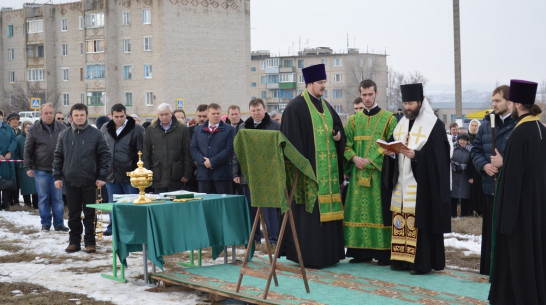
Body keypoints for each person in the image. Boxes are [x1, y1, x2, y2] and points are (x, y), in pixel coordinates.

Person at [280, 63, 346, 268]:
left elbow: (338, 129)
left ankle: (331, 254)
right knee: (310, 217)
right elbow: (290, 144)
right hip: (309, 175)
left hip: (330, 175)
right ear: (309, 83)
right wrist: (304, 169)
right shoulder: (294, 108)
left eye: (325, 82)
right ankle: (311, 256)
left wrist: (338, 135)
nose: (324, 86)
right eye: (320, 82)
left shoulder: (326, 106)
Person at [381, 83, 451, 275]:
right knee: (400, 219)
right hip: (401, 184)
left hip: (421, 186)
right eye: (405, 103)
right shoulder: (401, 123)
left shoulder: (434, 125)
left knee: (418, 222)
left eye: (411, 103)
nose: (407, 107)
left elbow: (440, 159)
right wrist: (391, 153)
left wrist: (417, 156)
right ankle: (401, 261)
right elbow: (395, 145)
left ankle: (421, 262)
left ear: (420, 102)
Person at [488, 79, 545, 305]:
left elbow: (511, 181)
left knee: (519, 256)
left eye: (510, 102)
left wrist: (505, 220)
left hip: (519, 211)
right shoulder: (541, 129)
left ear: (518, 104)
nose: (509, 106)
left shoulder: (519, 133)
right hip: (538, 206)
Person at [343, 79, 397, 265]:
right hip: (358, 176)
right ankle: (360, 252)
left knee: (379, 212)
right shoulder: (352, 120)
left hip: (379, 176)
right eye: (364, 95)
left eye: (370, 94)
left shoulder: (390, 119)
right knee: (357, 211)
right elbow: (346, 145)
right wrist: (354, 158)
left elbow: (392, 145)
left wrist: (371, 160)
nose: (367, 98)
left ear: (377, 94)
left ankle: (382, 253)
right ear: (360, 94)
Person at [53, 103, 111, 253]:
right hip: (71, 180)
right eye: (76, 115)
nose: (79, 118)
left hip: (90, 181)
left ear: (86, 115)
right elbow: (58, 156)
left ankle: (90, 242)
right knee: (73, 213)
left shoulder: (96, 134)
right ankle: (74, 242)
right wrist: (57, 176)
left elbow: (104, 156)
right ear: (71, 117)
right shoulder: (64, 135)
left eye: (82, 115)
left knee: (90, 214)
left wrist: (102, 176)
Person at [471, 84, 515, 275]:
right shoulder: (487, 124)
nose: (494, 104)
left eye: (498, 100)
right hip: (490, 187)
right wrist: (483, 165)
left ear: (509, 101)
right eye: (493, 100)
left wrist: (504, 163)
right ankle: (488, 270)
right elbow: (476, 150)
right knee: (489, 234)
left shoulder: (518, 125)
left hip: (509, 189)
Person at [232, 98, 281, 245]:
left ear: (264, 109)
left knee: (269, 209)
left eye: (258, 110)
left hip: (268, 175)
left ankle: (274, 239)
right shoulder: (243, 127)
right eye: (253, 110)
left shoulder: (275, 126)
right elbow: (237, 152)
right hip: (248, 175)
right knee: (251, 209)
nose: (256, 113)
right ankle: (254, 238)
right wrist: (235, 173)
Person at [100, 103, 144, 236]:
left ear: (126, 115)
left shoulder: (136, 129)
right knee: (113, 204)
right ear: (111, 116)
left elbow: (142, 151)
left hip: (130, 173)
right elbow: (101, 149)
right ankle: (113, 227)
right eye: (116, 116)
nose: (119, 119)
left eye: (122, 116)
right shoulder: (105, 128)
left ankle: (132, 228)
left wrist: (138, 172)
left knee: (131, 203)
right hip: (111, 173)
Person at [24, 104, 68, 230]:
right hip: (41, 169)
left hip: (58, 170)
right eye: (46, 113)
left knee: (58, 198)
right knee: (43, 198)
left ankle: (59, 224)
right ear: (41, 115)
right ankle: (45, 224)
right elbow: (27, 150)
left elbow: (67, 147)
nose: (49, 115)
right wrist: (28, 167)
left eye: (51, 113)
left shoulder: (62, 127)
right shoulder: (34, 129)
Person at [142, 103, 192, 193]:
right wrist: (147, 174)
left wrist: (186, 174)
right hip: (157, 175)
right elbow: (146, 154)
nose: (164, 117)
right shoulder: (151, 130)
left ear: (171, 114)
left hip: (176, 175)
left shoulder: (182, 130)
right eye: (161, 115)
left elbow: (187, 153)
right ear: (158, 115)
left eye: (166, 114)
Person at [190, 103, 235, 194]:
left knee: (222, 204)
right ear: (208, 114)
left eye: (218, 113)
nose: (216, 116)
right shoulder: (198, 130)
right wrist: (203, 161)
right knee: (205, 203)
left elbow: (229, 149)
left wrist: (212, 162)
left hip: (222, 175)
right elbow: (193, 148)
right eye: (213, 113)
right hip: (204, 175)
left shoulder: (229, 130)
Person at [15, 121, 38, 208]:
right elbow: (16, 153)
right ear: (23, 128)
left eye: (30, 127)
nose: (28, 129)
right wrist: (19, 164)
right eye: (26, 127)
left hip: (35, 165)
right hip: (24, 166)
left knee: (35, 187)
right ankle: (27, 204)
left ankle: (36, 205)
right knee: (26, 187)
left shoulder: (36, 138)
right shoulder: (19, 139)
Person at [450, 133, 472, 217]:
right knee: (453, 196)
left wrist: (462, 167)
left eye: (464, 140)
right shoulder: (452, 148)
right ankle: (453, 214)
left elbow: (471, 163)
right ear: (458, 140)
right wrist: (454, 166)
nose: (462, 142)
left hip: (465, 176)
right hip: (454, 175)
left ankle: (464, 215)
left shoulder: (471, 150)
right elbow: (448, 158)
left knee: (465, 196)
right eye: (461, 140)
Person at [0, 110, 17, 211]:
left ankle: (5, 203)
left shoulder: (8, 128)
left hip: (6, 159)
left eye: (0, 116)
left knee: (6, 181)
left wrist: (10, 152)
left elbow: (13, 139)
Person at [6, 113, 21, 206]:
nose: (15, 121)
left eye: (17, 119)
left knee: (17, 180)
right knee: (9, 180)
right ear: (9, 121)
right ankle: (9, 200)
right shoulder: (7, 131)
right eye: (13, 119)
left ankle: (16, 200)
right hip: (8, 158)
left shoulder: (20, 131)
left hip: (18, 159)